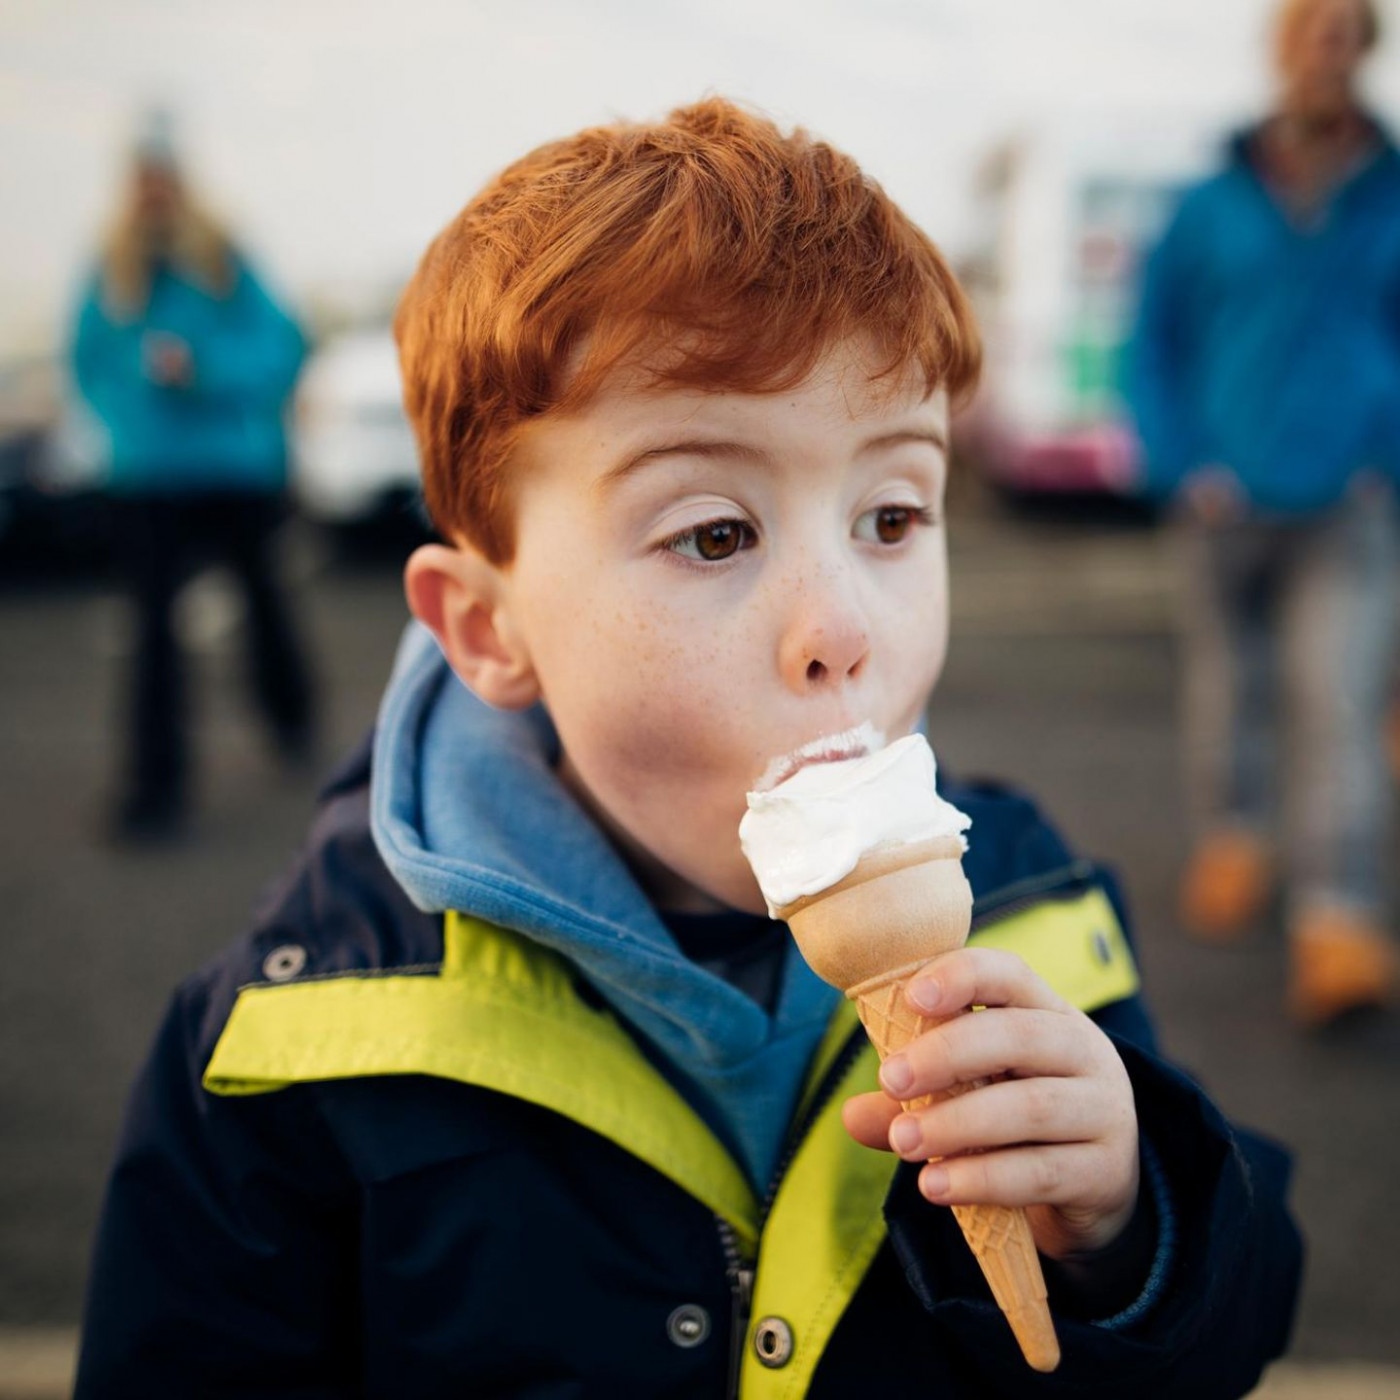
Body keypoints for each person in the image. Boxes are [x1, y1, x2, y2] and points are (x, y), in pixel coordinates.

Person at [74, 100, 1300, 1398]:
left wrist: (1131, 1226)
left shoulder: (1032, 909)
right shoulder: (294, 1036)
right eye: (716, 534)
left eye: (893, 515)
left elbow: (1234, 1319)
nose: (839, 631)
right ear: (489, 630)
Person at [1128, 0, 1400, 1025]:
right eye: (1304, 32)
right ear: (1279, 50)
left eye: (1340, 33)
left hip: (1347, 503)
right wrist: (1180, 460)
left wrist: (1385, 454)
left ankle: (1337, 919)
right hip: (1221, 502)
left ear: (1362, 50)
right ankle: (1234, 835)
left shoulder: (1388, 194)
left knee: (1334, 700)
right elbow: (1150, 341)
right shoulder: (1209, 203)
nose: (1321, 51)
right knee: (1225, 686)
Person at [70, 114, 315, 840]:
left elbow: (281, 348)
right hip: (148, 478)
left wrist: (201, 372)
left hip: (233, 470)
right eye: (142, 178)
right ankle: (155, 788)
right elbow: (87, 363)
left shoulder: (222, 258)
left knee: (264, 608)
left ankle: (293, 721)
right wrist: (127, 423)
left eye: (162, 177)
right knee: (152, 636)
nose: (152, 191)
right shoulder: (109, 269)